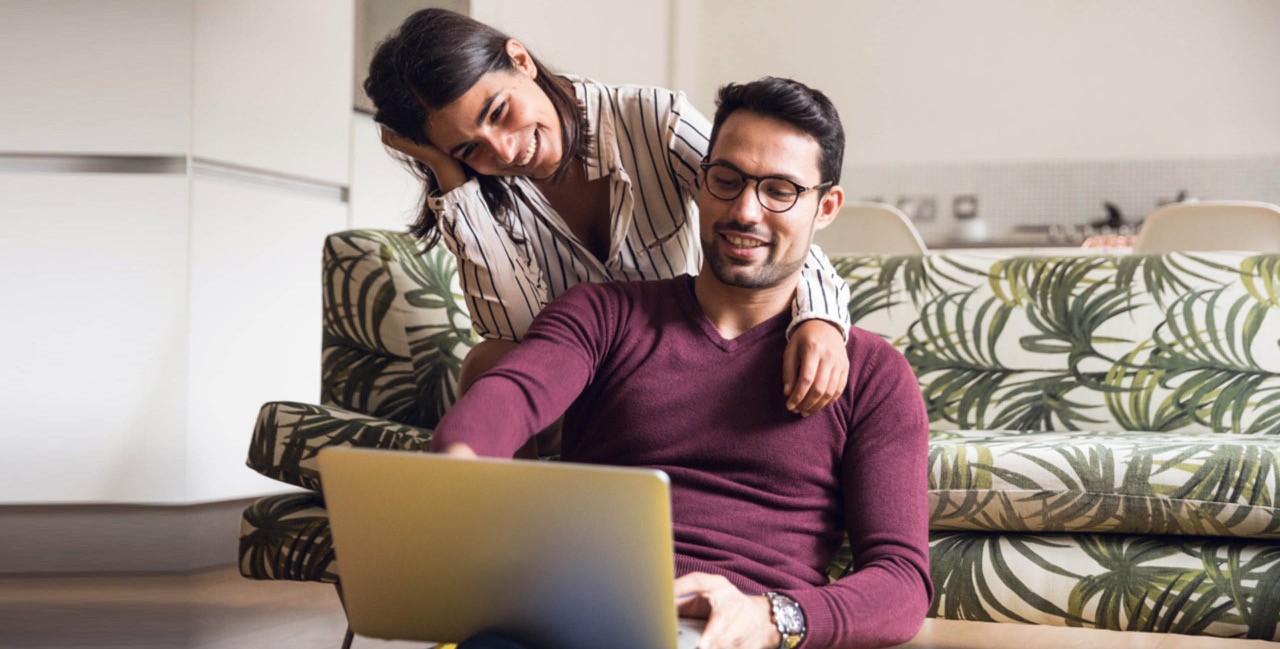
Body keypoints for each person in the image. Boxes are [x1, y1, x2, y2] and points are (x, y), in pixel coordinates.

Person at [431, 77, 932, 649]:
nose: (746, 211)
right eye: (728, 180)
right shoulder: (605, 315)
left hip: (741, 636)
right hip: (579, 622)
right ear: (699, 183)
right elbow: (511, 397)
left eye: (781, 191)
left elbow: (901, 584)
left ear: (826, 208)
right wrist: (457, 469)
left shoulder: (873, 375)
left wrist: (773, 617)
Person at [363, 9, 853, 446]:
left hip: (682, 356)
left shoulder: (654, 121)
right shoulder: (481, 190)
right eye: (469, 148)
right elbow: (513, 335)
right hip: (574, 377)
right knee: (489, 362)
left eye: (499, 112)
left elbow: (759, 213)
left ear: (520, 60)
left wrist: (821, 320)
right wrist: (450, 174)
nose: (506, 152)